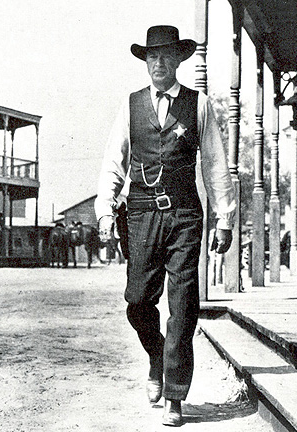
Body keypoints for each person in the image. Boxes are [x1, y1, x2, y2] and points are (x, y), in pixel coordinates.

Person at [95, 25, 236, 427]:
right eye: (152, 57)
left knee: (183, 304)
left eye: (166, 56)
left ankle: (175, 395)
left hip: (185, 215)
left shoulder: (200, 105)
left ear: (178, 60)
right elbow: (113, 162)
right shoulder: (130, 106)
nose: (159, 63)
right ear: (146, 62)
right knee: (138, 301)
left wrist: (224, 218)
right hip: (140, 214)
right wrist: (106, 211)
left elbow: (213, 163)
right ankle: (157, 353)